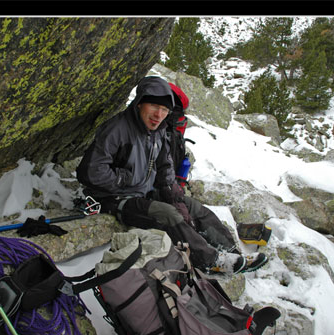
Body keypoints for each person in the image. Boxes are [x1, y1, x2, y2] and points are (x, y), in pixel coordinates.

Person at [76, 76, 268, 275]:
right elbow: (89, 171)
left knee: (193, 207)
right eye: (154, 106)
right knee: (167, 215)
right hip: (114, 199)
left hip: (143, 193)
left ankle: (231, 252)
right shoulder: (117, 129)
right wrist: (127, 178)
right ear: (140, 102)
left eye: (165, 110)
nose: (159, 115)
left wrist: (175, 197)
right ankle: (212, 260)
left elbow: (165, 168)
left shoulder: (158, 131)